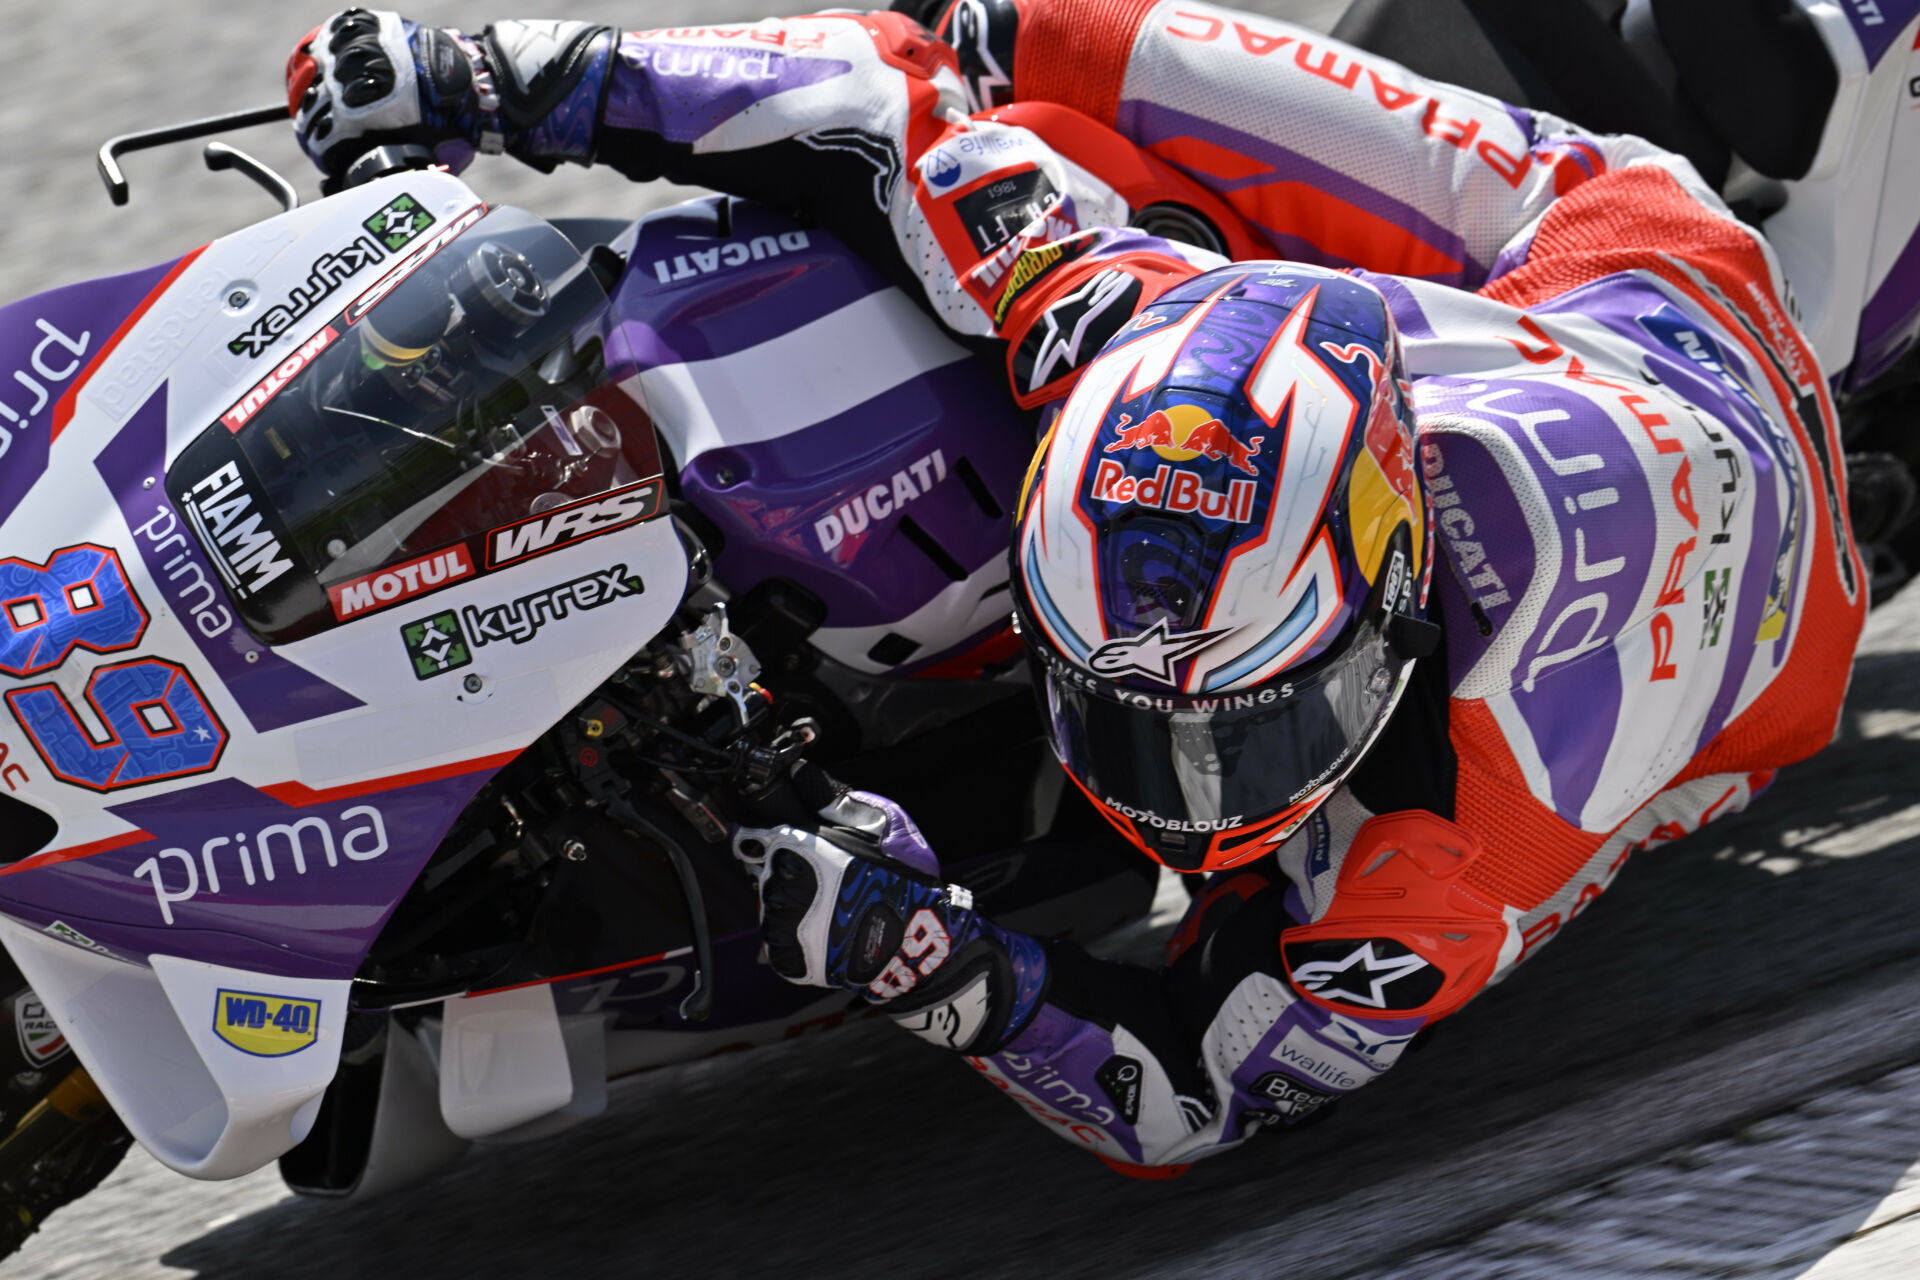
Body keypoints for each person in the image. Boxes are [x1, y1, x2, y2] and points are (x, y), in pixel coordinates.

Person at [288, 1, 1867, 1173]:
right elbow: (874, 103)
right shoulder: (1106, 312)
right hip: (1502, 325)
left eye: (1232, 734)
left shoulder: (1444, 867)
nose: (1173, 796)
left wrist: (947, 975)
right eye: (1119, 715)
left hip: (1643, 278)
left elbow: (1190, 1103)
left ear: (1386, 616)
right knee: (1002, 39)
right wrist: (514, 74)